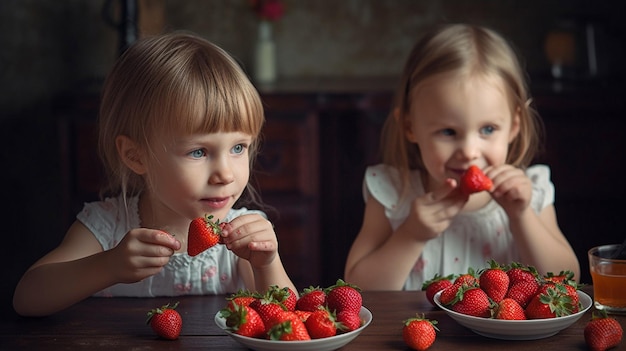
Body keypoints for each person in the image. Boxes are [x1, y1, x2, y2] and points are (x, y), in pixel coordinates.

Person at [13, 32, 296, 316]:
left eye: (238, 147)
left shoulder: (244, 234)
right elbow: (27, 299)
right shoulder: (107, 227)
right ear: (136, 156)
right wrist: (108, 266)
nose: (224, 174)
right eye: (198, 152)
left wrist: (266, 264)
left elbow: (286, 317)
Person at [344, 24, 580, 291]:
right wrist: (411, 235)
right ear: (410, 127)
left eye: (488, 129)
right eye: (448, 131)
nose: (469, 152)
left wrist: (522, 216)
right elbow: (357, 289)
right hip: (413, 332)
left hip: (502, 334)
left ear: (513, 126)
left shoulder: (530, 192)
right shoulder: (393, 193)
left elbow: (566, 280)